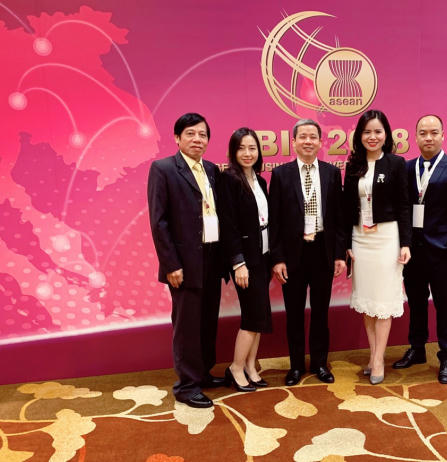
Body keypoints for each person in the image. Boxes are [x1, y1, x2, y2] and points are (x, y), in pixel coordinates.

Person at [147, 113, 226, 408]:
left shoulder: (212, 169)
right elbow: (159, 222)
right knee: (187, 325)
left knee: (207, 321)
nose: (197, 139)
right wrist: (171, 265)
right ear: (177, 138)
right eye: (191, 134)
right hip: (184, 263)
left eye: (203, 134)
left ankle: (203, 373)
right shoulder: (164, 169)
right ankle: (186, 385)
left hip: (212, 257)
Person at [394, 114, 447, 384]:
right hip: (412, 251)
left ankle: (445, 357)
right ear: (415, 137)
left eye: (433, 132)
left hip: (441, 251)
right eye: (423, 133)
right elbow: (402, 208)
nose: (428, 138)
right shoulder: (407, 168)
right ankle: (417, 349)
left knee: (444, 305)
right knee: (416, 303)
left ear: (442, 135)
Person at [269, 119, 346, 386]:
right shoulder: (281, 174)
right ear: (294, 142)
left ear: (320, 142)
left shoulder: (331, 173)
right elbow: (275, 221)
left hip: (323, 251)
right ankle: (295, 366)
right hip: (293, 253)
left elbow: (338, 217)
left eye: (313, 137)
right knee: (294, 313)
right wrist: (277, 258)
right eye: (303, 136)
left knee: (321, 312)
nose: (308, 141)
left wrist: (339, 254)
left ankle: (320, 364)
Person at [343, 109, 411, 385]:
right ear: (360, 136)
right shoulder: (353, 165)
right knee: (367, 301)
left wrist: (405, 242)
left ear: (386, 135)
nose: (372, 137)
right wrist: (346, 243)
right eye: (367, 132)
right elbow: (347, 208)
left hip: (386, 238)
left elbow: (404, 206)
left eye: (378, 131)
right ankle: (373, 356)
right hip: (360, 238)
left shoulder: (396, 164)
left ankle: (379, 359)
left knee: (382, 301)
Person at [218, 128, 272, 392]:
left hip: (263, 255)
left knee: (259, 315)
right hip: (245, 260)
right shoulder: (228, 180)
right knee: (252, 316)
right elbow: (227, 225)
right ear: (233, 152)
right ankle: (236, 367)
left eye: (252, 148)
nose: (248, 153)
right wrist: (238, 263)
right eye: (241, 148)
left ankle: (251, 366)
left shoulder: (259, 180)